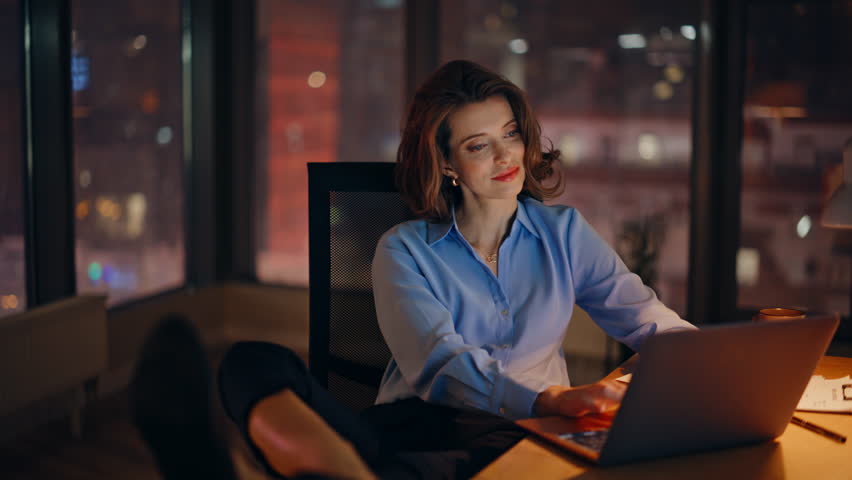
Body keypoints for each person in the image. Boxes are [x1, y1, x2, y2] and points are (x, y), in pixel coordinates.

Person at [212, 59, 694, 479]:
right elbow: (441, 364)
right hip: (413, 427)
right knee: (248, 361)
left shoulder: (564, 233)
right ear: (446, 165)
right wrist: (547, 399)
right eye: (478, 146)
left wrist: (707, 363)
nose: (505, 156)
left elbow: (646, 318)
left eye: (510, 133)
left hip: (514, 435)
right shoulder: (403, 250)